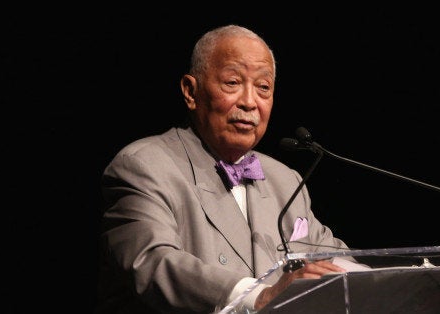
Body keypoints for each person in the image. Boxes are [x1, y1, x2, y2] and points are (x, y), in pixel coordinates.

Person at [95, 24, 353, 314]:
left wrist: (386, 280)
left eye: (263, 88)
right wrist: (258, 296)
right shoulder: (143, 165)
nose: (249, 102)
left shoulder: (285, 180)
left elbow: (329, 255)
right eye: (232, 82)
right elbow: (152, 262)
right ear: (191, 91)